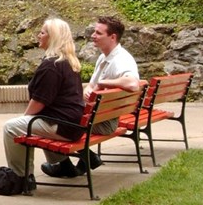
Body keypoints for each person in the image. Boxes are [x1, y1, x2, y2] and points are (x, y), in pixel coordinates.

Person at [41, 15, 139, 178]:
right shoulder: (104, 57)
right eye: (94, 32)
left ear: (112, 37)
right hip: (99, 115)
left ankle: (64, 164)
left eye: (98, 33)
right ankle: (87, 157)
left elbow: (133, 84)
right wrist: (92, 88)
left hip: (104, 122)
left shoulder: (121, 60)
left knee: (48, 119)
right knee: (60, 115)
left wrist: (105, 83)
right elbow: (93, 85)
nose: (93, 35)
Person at [2, 17, 85, 185]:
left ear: (52, 37)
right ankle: (62, 165)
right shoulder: (68, 61)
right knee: (30, 122)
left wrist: (24, 118)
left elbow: (39, 102)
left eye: (42, 32)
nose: (38, 35)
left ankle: (21, 177)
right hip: (72, 124)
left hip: (63, 126)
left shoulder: (51, 66)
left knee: (11, 127)